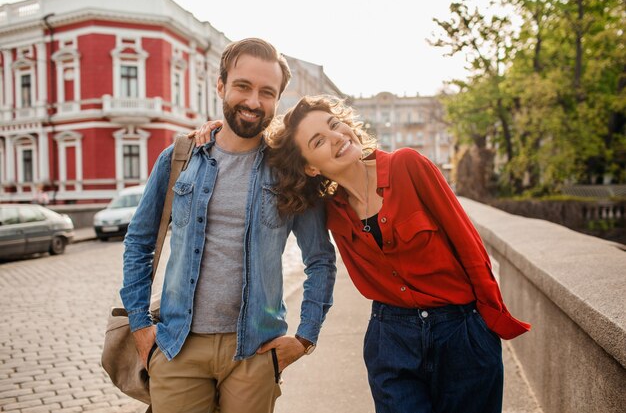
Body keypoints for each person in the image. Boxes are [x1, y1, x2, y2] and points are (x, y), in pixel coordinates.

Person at [198, 95, 530, 413]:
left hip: (460, 332)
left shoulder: (407, 166)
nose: (336, 136)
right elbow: (263, 168)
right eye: (318, 141)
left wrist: (487, 326)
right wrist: (219, 135)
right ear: (311, 168)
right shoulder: (328, 210)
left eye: (333, 124)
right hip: (392, 340)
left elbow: (470, 248)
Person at [121, 40, 336, 413]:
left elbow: (320, 259)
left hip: (255, 352)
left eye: (266, 92)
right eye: (243, 86)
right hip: (178, 348)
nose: (253, 101)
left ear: (277, 100)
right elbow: (139, 242)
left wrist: (305, 338)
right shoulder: (179, 158)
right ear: (220, 86)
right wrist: (140, 325)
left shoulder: (289, 172)